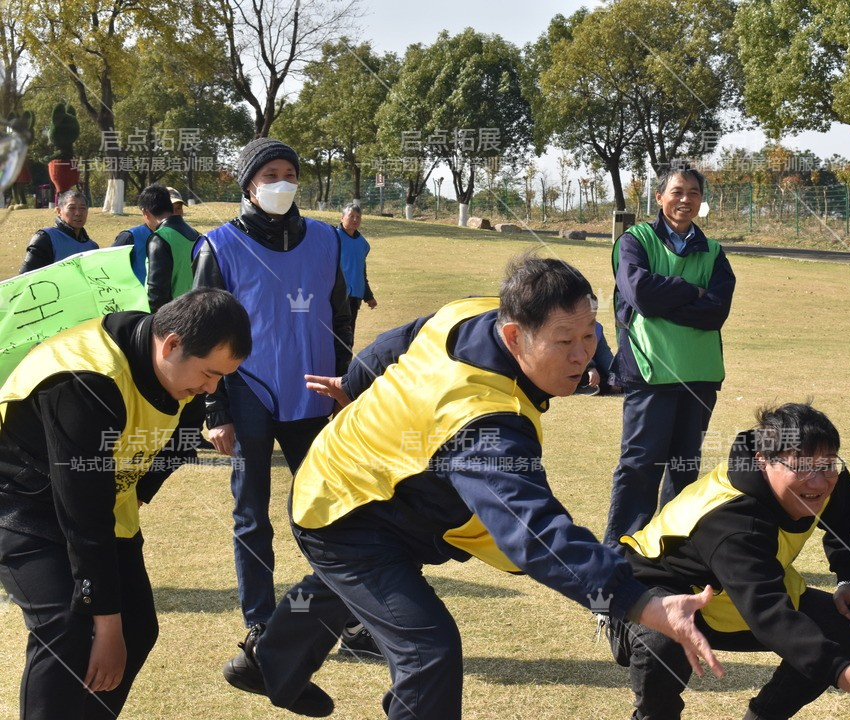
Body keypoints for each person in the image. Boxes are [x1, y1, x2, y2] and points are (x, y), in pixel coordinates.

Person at [221, 256, 726, 719]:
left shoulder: (471, 313)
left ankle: (266, 663)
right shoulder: (482, 421)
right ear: (514, 336)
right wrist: (639, 603)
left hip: (387, 492)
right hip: (343, 507)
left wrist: (354, 382)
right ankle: (275, 662)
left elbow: (399, 339)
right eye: (563, 341)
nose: (583, 357)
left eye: (590, 336)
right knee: (428, 649)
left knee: (341, 590)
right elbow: (534, 531)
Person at [0, 288, 251, 720]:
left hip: (100, 501)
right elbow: (84, 516)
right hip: (21, 504)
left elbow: (179, 441)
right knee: (67, 625)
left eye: (221, 379)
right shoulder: (85, 379)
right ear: (171, 343)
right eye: (209, 374)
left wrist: (140, 485)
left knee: (138, 628)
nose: (212, 390)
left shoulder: (177, 374)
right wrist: (105, 623)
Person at [608, 402, 850, 720]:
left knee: (842, 626)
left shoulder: (826, 476)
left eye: (828, 464)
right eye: (801, 467)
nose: (818, 481)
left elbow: (849, 519)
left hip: (737, 595)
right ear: (762, 460)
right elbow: (771, 615)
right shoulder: (734, 520)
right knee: (662, 642)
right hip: (659, 592)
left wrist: (848, 578)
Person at [192, 137, 353, 645]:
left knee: (328, 511)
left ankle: (344, 616)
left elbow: (341, 317)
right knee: (251, 513)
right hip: (248, 394)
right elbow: (201, 333)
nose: (282, 182)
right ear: (249, 185)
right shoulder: (219, 245)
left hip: (314, 395)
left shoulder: (328, 240)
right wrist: (216, 410)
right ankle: (260, 622)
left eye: (289, 172)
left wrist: (347, 384)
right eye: (270, 175)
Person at [604, 163, 736, 547]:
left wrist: (666, 303)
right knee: (641, 465)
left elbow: (716, 311)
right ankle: (622, 552)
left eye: (693, 192)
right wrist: (690, 290)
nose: (685, 199)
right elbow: (640, 293)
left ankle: (668, 548)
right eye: (677, 192)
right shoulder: (634, 241)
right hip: (650, 371)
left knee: (683, 467)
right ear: (659, 197)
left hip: (699, 374)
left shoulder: (712, 252)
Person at [136, 184, 203, 312]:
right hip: (196, 312)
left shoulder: (160, 238)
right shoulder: (197, 236)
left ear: (145, 212)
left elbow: (156, 293)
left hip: (172, 319)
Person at [112, 187, 187, 285]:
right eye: (170, 208)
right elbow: (110, 272)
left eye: (179, 208)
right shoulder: (130, 237)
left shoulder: (188, 238)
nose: (175, 213)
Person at [19, 188, 97, 273]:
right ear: (59, 211)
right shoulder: (46, 238)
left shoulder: (92, 247)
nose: (78, 213)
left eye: (82, 208)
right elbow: (26, 277)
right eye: (72, 208)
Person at [337, 203, 377, 331]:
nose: (355, 219)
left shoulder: (363, 244)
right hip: (336, 293)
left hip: (355, 295)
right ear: (342, 218)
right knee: (336, 331)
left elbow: (361, 271)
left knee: (349, 331)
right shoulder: (332, 238)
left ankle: (347, 351)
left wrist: (368, 296)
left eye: (358, 217)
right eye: (351, 216)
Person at [577, 321, 620, 395]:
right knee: (602, 383)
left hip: (589, 364)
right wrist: (590, 368)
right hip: (573, 365)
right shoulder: (569, 325)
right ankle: (580, 387)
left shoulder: (597, 327)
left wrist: (614, 375)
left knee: (621, 380)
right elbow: (573, 351)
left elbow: (603, 353)